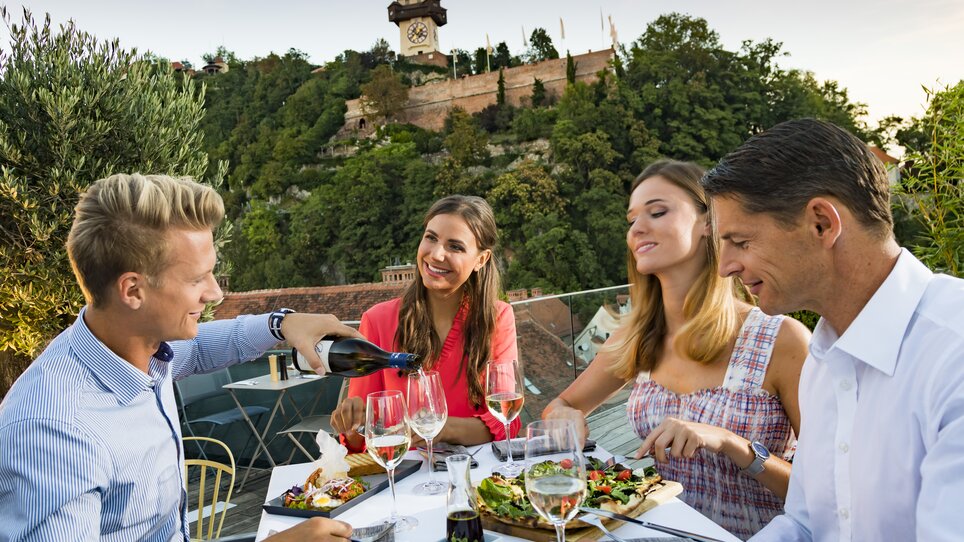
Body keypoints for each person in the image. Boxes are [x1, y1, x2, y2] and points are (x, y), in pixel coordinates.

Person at [0, 174, 361, 542]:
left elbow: (202, 347)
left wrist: (281, 324)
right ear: (133, 290)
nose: (215, 293)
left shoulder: (140, 348)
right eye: (197, 279)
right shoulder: (54, 433)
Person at [701, 118, 964, 541]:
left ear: (822, 223)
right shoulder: (822, 362)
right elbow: (807, 524)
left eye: (742, 242)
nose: (725, 268)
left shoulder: (953, 354)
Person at [543, 160, 810, 539]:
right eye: (631, 220)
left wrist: (731, 443)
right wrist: (564, 417)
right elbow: (561, 406)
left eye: (657, 212)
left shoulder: (780, 339)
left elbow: (824, 491)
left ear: (708, 222)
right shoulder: (637, 337)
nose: (637, 228)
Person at [331, 195, 519, 449]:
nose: (436, 254)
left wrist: (441, 428)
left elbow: (506, 419)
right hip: (403, 471)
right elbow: (360, 441)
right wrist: (351, 425)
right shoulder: (376, 321)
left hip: (475, 469)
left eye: (455, 247)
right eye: (431, 238)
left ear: (481, 260)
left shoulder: (498, 318)